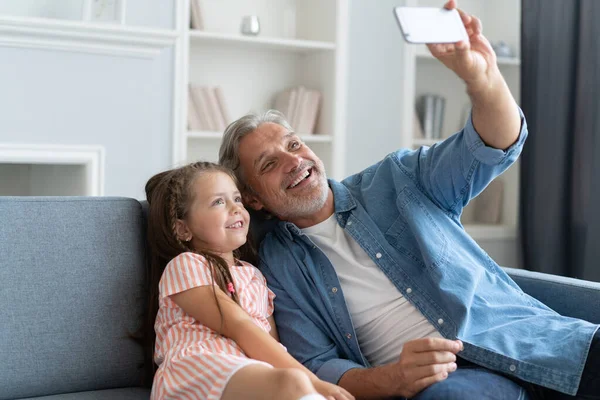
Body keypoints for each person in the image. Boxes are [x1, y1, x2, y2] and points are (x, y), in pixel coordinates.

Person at [217, 1, 600, 399]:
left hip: (530, 342)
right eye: (270, 164)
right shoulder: (277, 264)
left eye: (294, 144)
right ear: (252, 198)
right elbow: (318, 365)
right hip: (453, 382)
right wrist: (393, 379)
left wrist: (481, 79)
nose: (295, 161)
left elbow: (492, 145)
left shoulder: (396, 178)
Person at [143, 161, 355, 400]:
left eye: (237, 199)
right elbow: (238, 326)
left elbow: (270, 343)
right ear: (183, 229)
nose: (235, 209)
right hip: (196, 370)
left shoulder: (254, 276)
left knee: (291, 383)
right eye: (218, 202)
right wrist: (315, 383)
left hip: (251, 377)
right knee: (292, 382)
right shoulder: (187, 265)